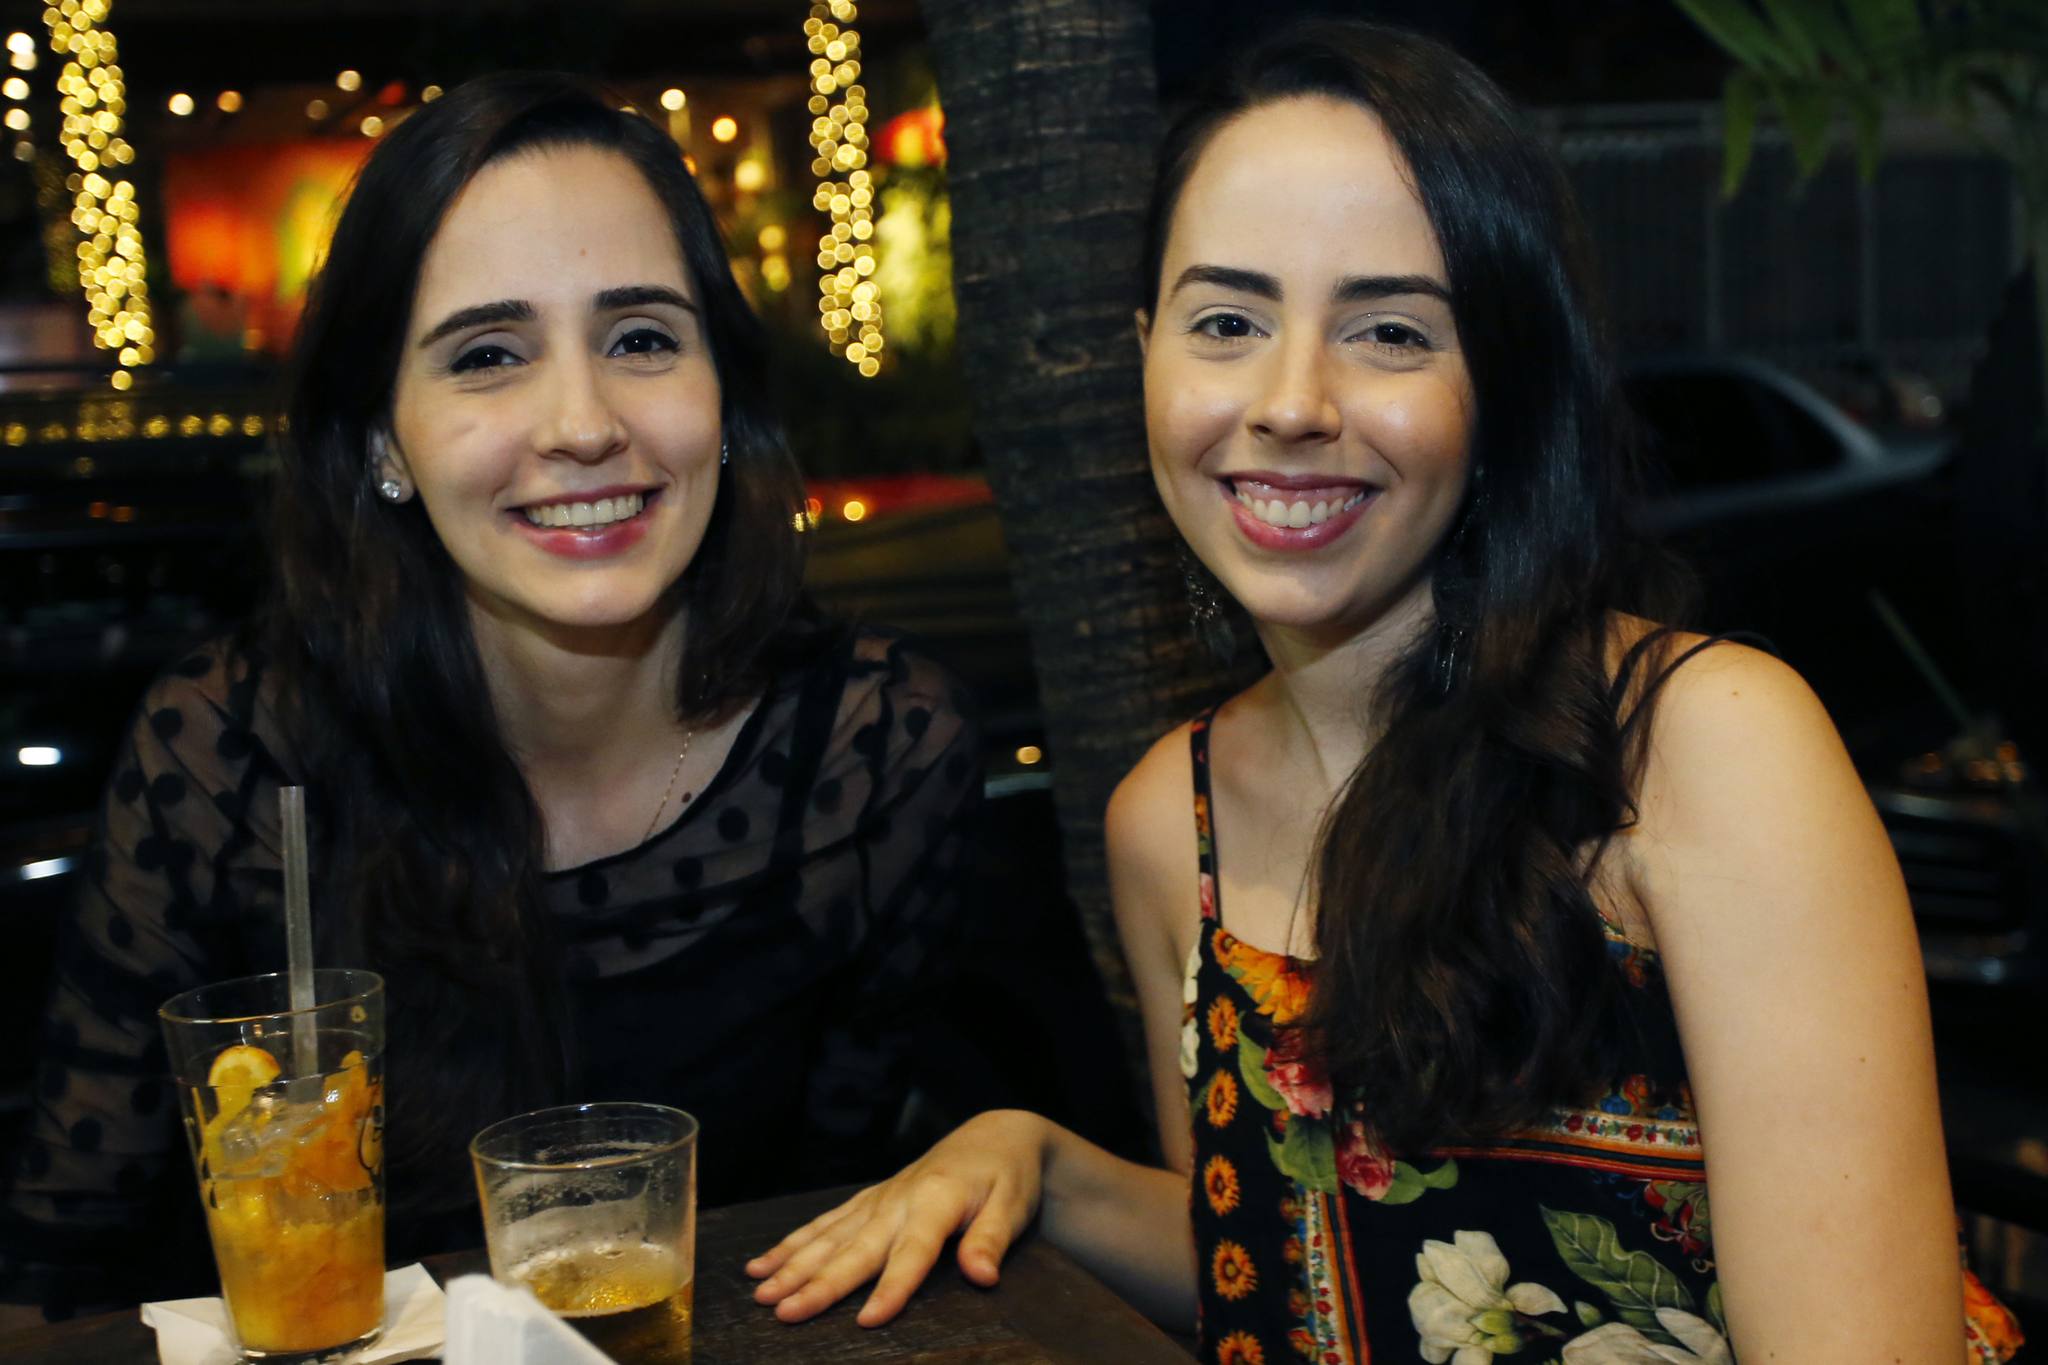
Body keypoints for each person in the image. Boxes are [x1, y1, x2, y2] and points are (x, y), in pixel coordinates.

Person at [746, 21, 2022, 1364]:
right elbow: (1290, 1260)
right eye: (1227, 322)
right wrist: (1044, 1165)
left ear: (1503, 387)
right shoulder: (1167, 822)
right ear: (1145, 355)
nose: (1291, 402)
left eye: (1390, 331)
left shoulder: (1697, 748)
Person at [0, 73, 980, 1321]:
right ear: (383, 444)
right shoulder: (233, 759)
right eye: (487, 356)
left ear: (723, 400)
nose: (582, 424)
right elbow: (56, 1278)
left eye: (640, 339)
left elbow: (839, 1234)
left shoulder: (871, 753)